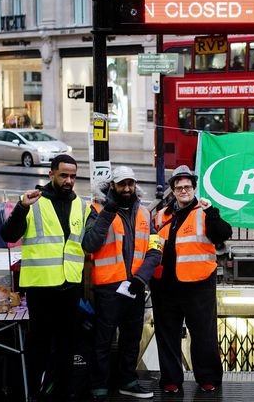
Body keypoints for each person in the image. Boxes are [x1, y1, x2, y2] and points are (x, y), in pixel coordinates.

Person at [0, 154, 90, 400]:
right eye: (64, 175)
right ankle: (29, 393)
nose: (69, 181)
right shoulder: (33, 202)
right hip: (40, 288)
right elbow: (8, 234)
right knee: (38, 346)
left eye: (73, 176)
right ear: (51, 174)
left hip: (69, 287)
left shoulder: (81, 204)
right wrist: (21, 208)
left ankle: (61, 393)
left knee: (67, 347)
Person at [82, 166, 162, 400]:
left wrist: (141, 278)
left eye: (130, 184)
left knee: (132, 338)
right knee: (103, 340)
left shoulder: (145, 214)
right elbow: (90, 244)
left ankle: (128, 380)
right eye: (121, 184)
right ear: (112, 186)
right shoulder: (97, 209)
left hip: (135, 287)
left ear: (135, 185)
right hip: (108, 288)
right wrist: (108, 210)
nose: (126, 188)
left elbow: (155, 248)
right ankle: (99, 386)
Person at [150, 165, 232, 393]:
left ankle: (208, 379)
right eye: (179, 187)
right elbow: (153, 245)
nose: (183, 190)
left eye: (187, 187)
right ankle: (171, 380)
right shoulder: (161, 216)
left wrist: (212, 211)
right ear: (173, 191)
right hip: (165, 286)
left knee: (203, 334)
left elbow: (223, 233)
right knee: (167, 335)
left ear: (194, 188)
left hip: (198, 284)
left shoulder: (205, 211)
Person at [107, 63, 128, 132]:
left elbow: (124, 111)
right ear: (108, 72)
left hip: (115, 125)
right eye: (112, 71)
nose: (114, 74)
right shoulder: (103, 89)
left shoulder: (118, 89)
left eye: (115, 72)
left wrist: (120, 126)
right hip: (104, 124)